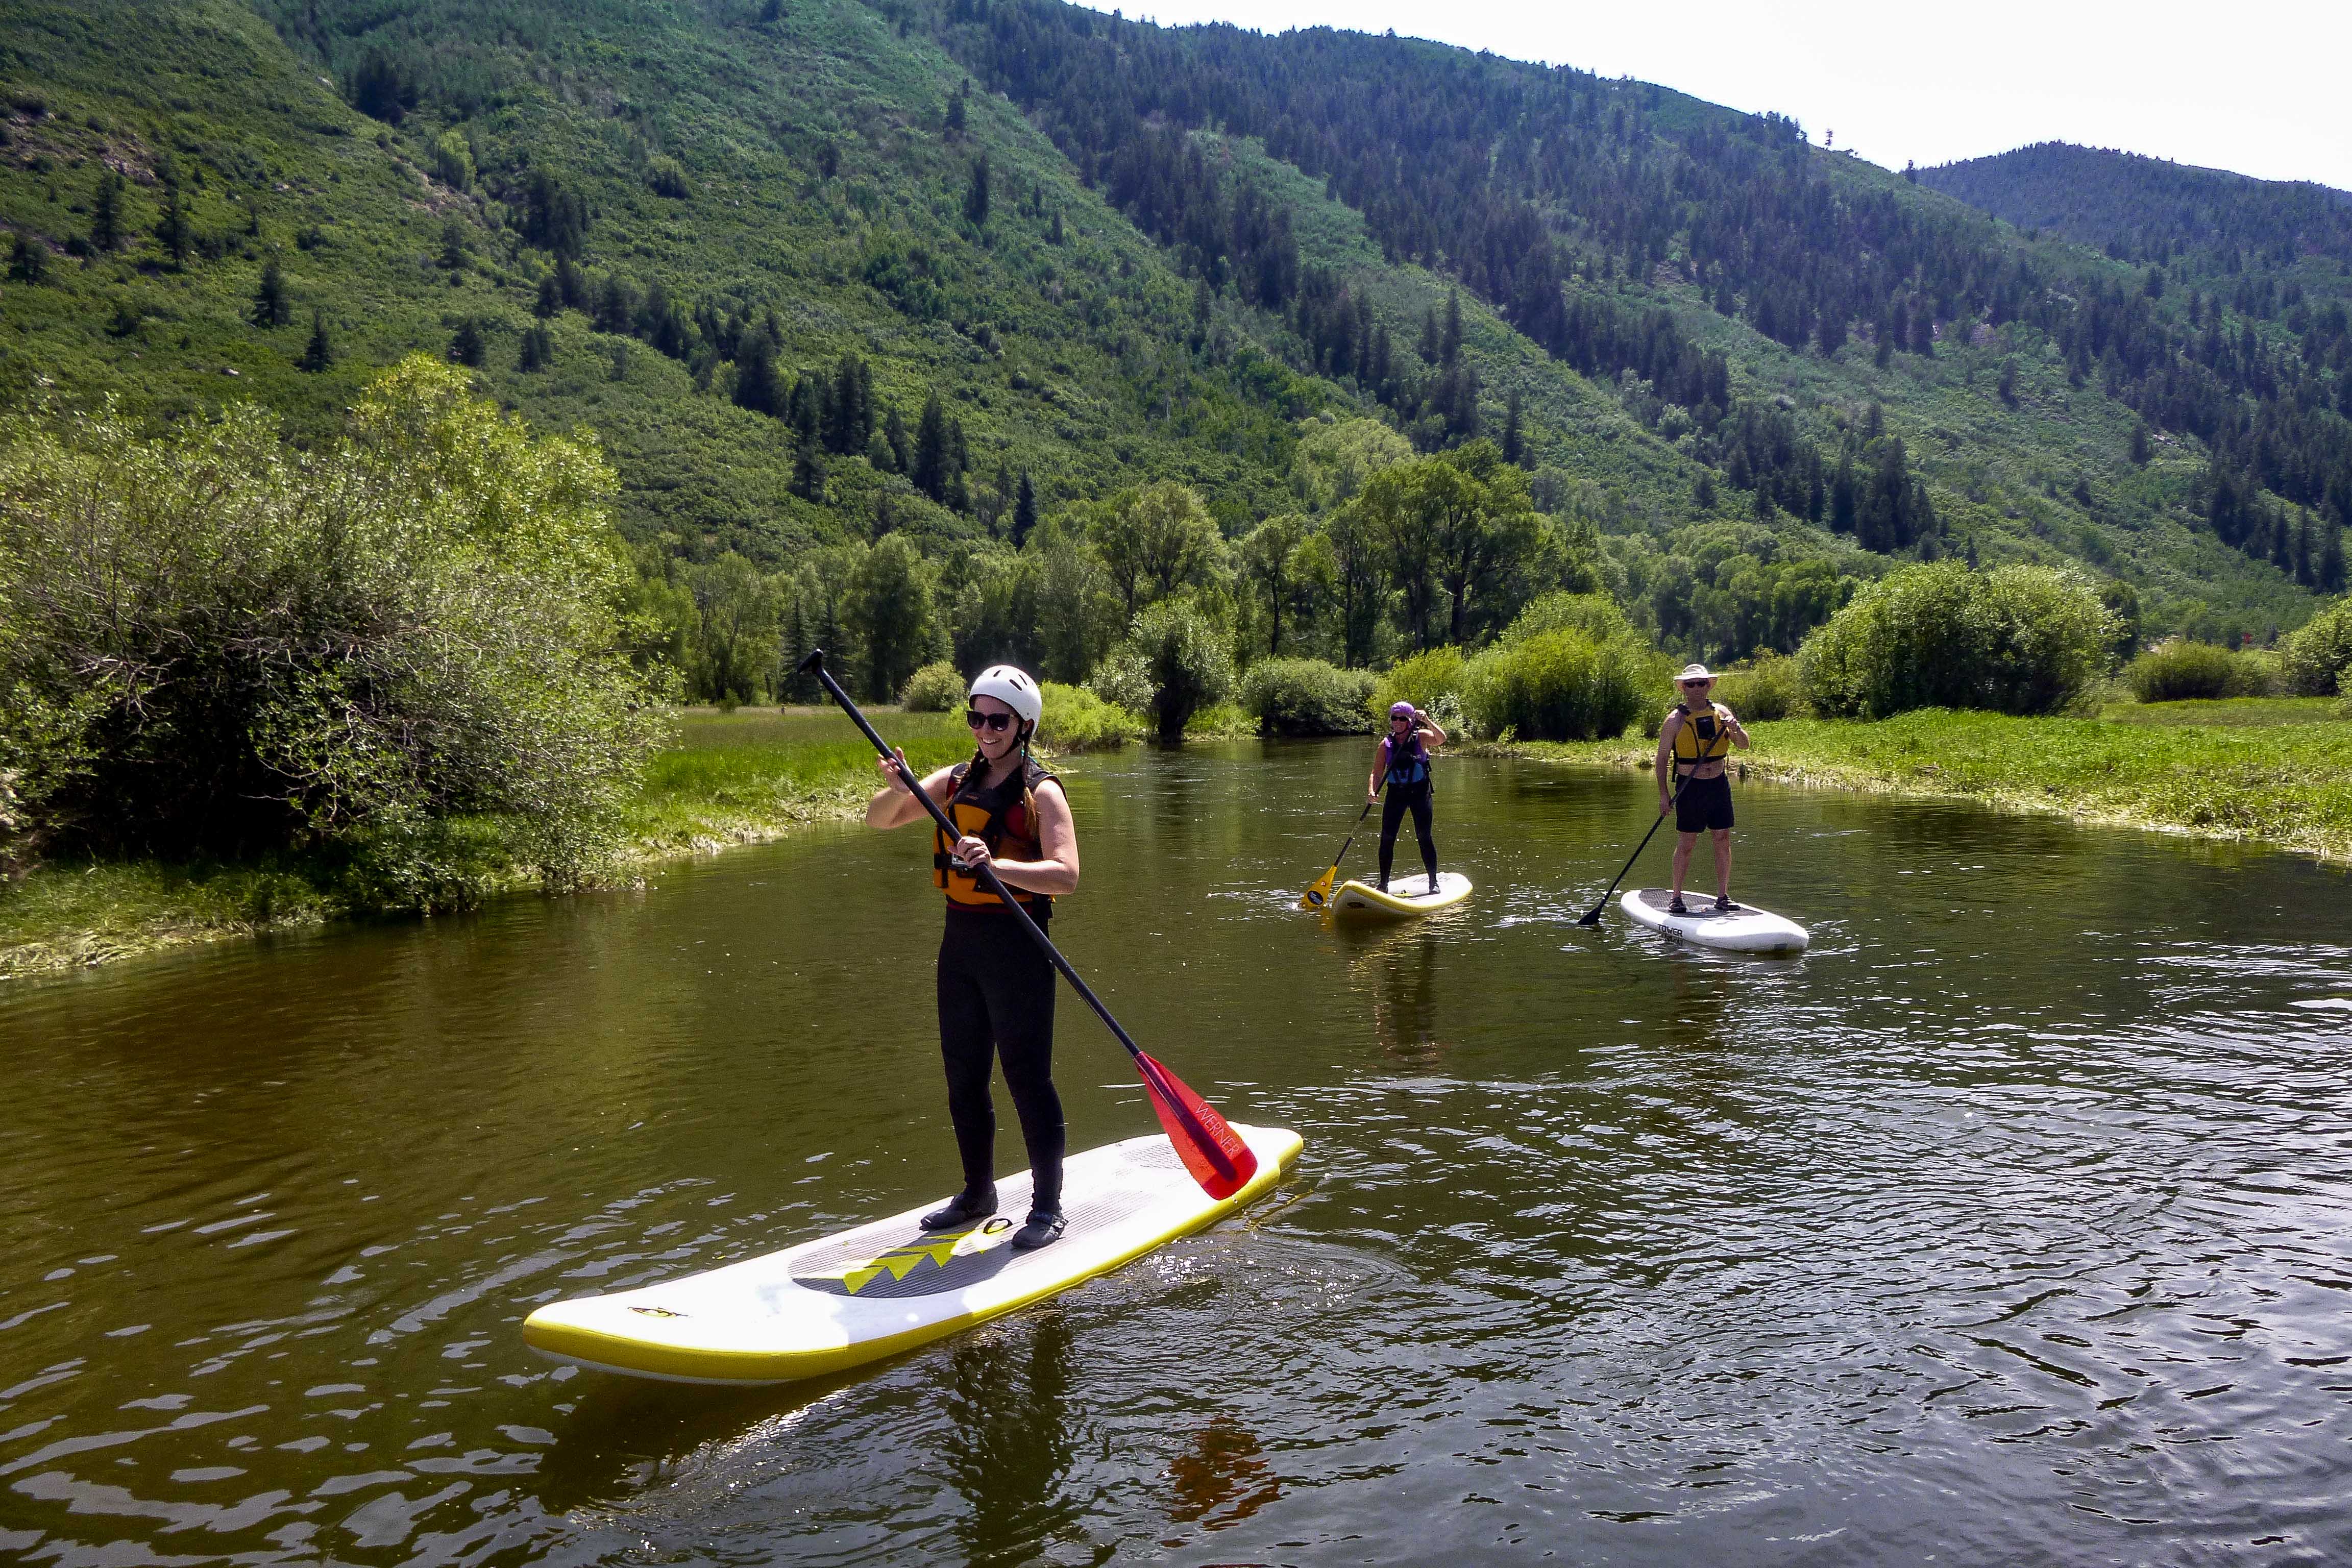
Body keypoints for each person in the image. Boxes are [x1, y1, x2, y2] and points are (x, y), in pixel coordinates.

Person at [866, 666, 1079, 1250]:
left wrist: (996, 864)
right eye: (976, 717)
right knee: (963, 1077)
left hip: (1018, 946)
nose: (985, 729)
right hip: (960, 945)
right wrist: (900, 786)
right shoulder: (955, 780)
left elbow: (1067, 875)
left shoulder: (1043, 791)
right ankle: (978, 1193)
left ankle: (1048, 1207)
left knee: (1026, 1079)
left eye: (998, 719)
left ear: (1024, 726)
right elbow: (878, 820)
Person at [1654, 664, 1751, 914]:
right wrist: (1664, 795)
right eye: (1690, 684)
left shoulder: (1722, 713)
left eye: (1701, 683)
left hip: (1718, 784)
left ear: (1708, 686)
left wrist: (1735, 728)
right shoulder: (1675, 720)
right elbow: (1662, 759)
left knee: (1722, 838)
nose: (1696, 688)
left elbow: (1744, 745)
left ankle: (1723, 897)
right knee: (1687, 842)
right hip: (1690, 787)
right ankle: (1676, 897)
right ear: (1684, 688)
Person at [1366, 700, 1447, 895]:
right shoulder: (1386, 745)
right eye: (1394, 718)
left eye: (1403, 718)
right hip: (1396, 794)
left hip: (1420, 793)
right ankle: (1383, 884)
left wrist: (1427, 720)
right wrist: (1372, 790)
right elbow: (1376, 773)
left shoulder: (1421, 737)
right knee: (1387, 838)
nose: (1398, 722)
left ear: (1410, 720)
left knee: (1424, 836)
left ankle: (1433, 882)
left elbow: (1441, 739)